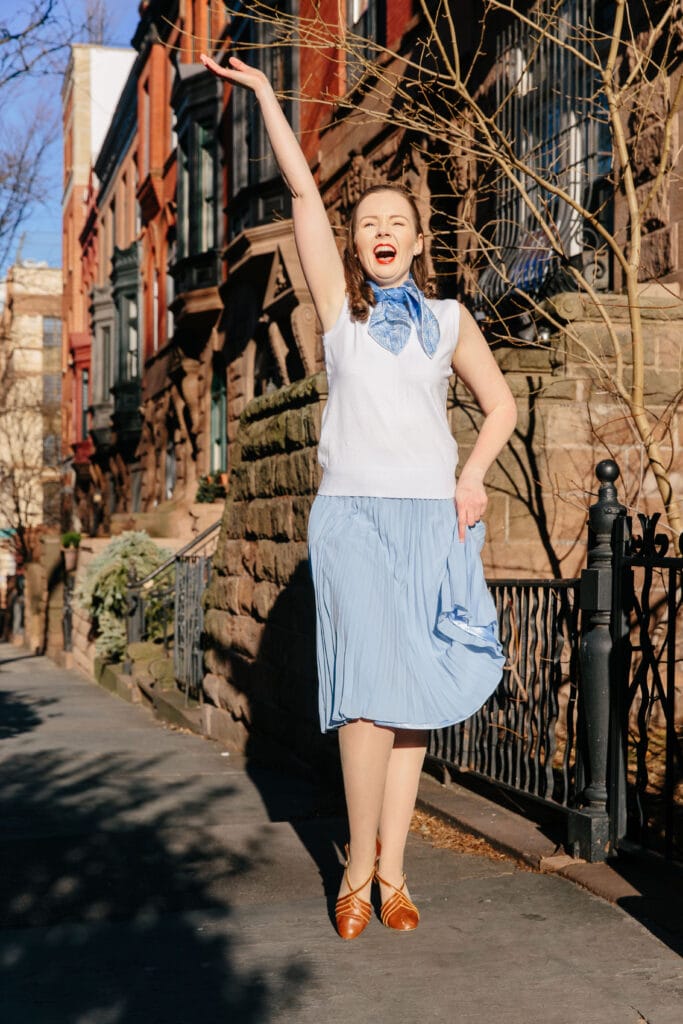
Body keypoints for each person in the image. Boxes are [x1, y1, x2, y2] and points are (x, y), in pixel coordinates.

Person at [201, 52, 518, 939]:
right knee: (362, 697)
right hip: (349, 522)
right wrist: (266, 95)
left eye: (397, 221)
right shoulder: (339, 314)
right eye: (368, 221)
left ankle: (395, 869)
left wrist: (470, 476)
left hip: (429, 518)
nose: (381, 230)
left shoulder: (450, 320)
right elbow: (304, 198)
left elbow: (500, 406)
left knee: (411, 696)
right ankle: (352, 866)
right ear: (358, 239)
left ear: (419, 241)